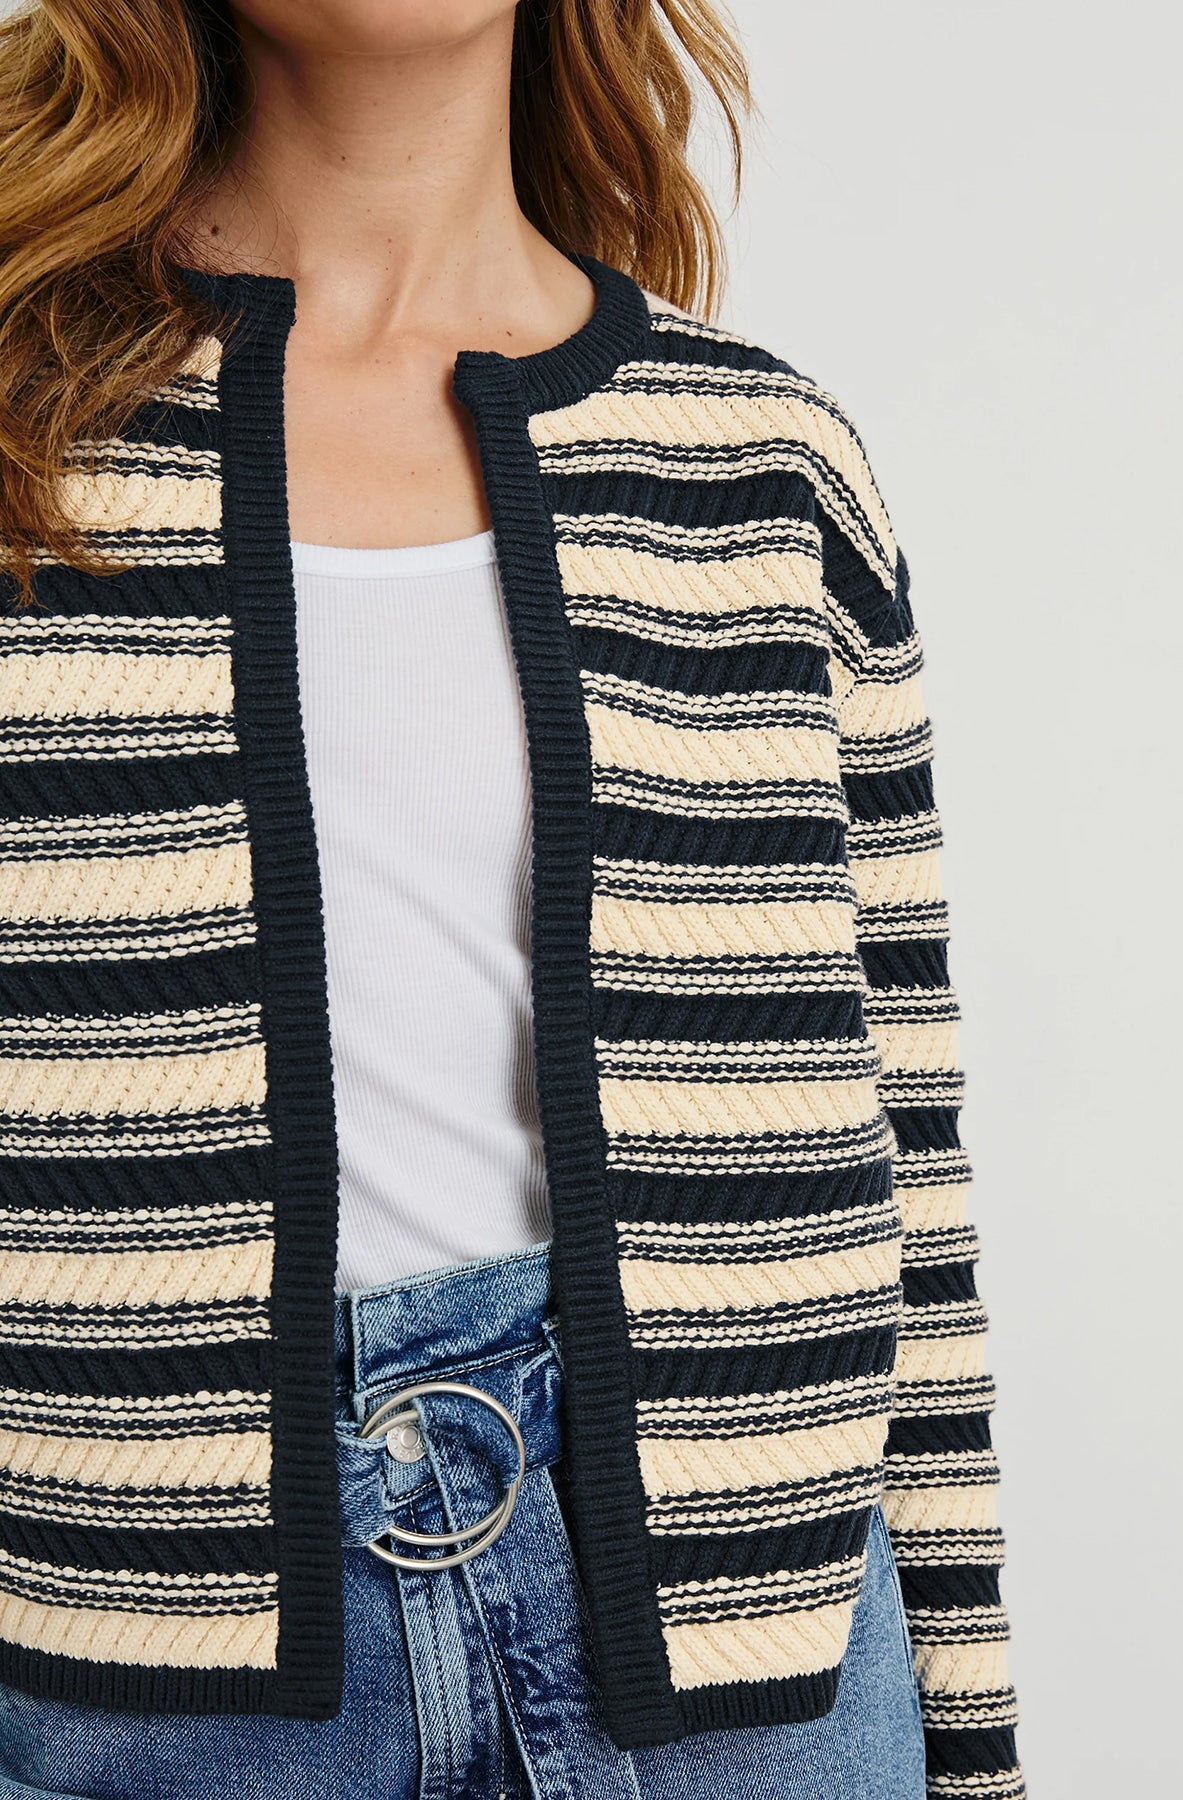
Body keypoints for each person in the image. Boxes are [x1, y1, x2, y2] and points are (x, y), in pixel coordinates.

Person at [0, 3, 1023, 1796]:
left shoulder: (760, 463)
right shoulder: (27, 434)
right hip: (136, 1668)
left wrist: (979, 1745)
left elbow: (907, 1179)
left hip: (747, 1667)